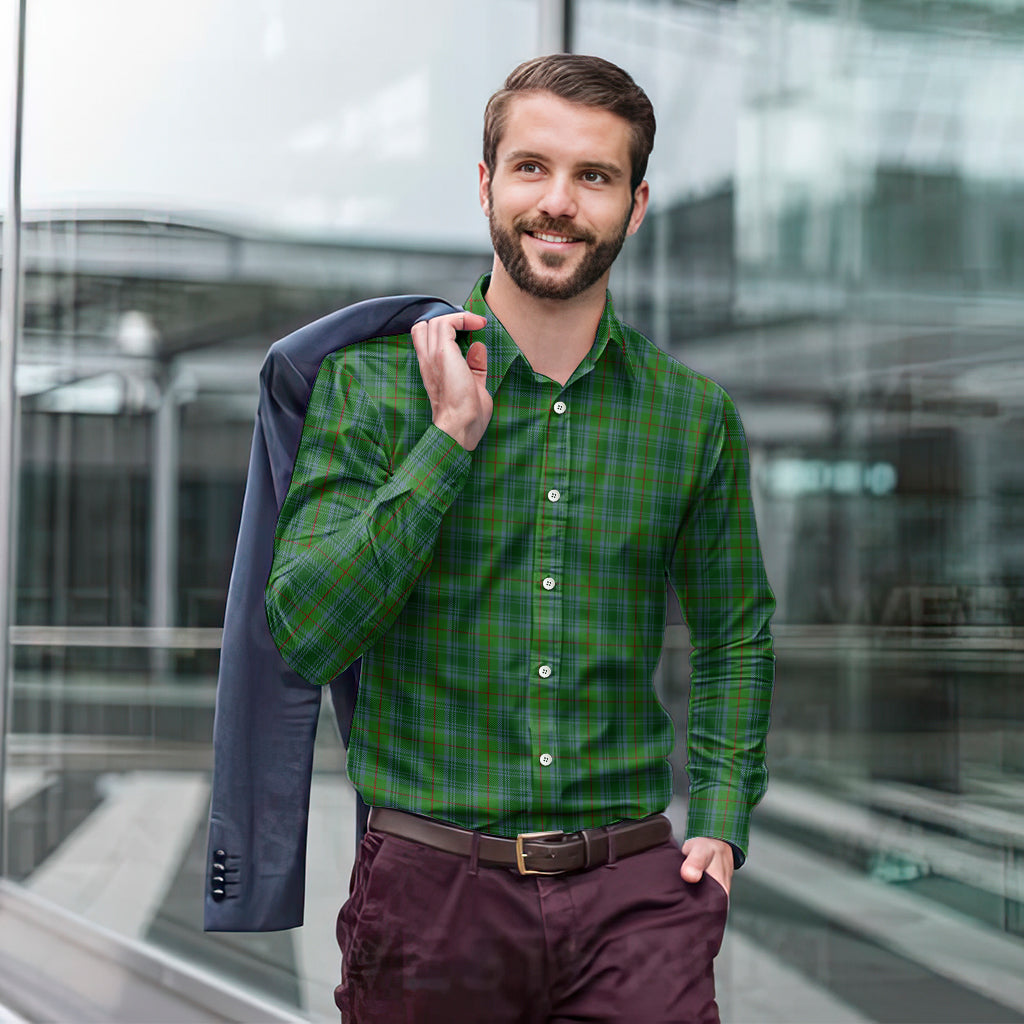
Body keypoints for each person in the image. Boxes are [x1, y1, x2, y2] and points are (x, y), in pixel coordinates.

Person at [265, 53, 775, 1024]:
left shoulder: (689, 417)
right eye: (532, 167)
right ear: (487, 182)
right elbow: (304, 630)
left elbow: (734, 632)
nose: (559, 202)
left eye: (595, 176)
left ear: (636, 203)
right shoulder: (372, 388)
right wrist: (448, 440)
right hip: (431, 896)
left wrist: (718, 818)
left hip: (634, 896)